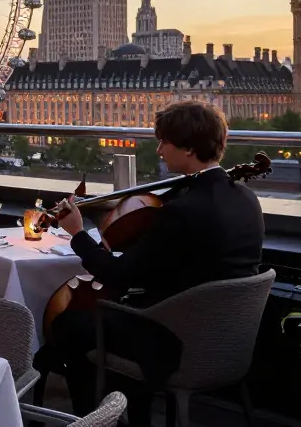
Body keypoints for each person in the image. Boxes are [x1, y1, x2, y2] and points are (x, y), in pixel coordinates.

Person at [44, 100, 265, 426]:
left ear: (189, 148)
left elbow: (117, 274)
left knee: (68, 325)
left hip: (176, 341)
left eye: (164, 142)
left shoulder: (181, 211)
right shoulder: (247, 199)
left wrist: (78, 233)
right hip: (228, 340)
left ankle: (94, 420)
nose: (159, 150)